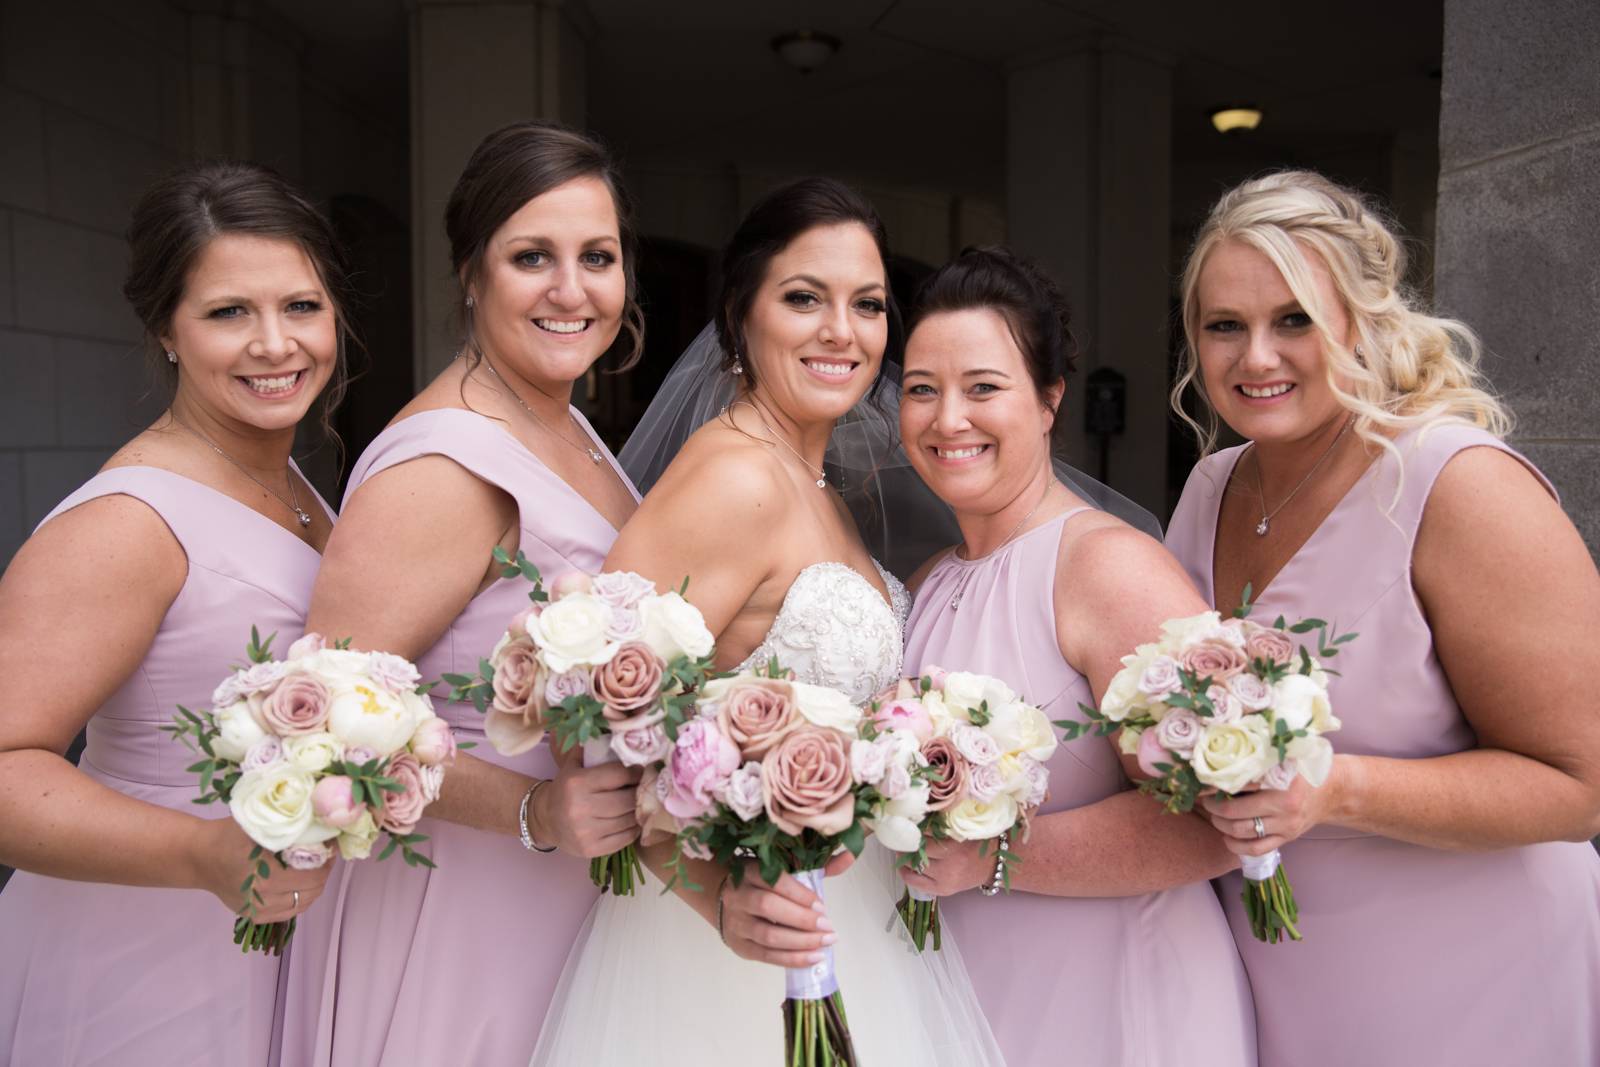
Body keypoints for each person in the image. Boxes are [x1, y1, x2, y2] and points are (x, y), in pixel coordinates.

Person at [529, 178, 1002, 1066]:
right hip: (726, 959)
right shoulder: (734, 478)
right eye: (804, 299)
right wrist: (717, 896)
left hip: (851, 921)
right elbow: (592, 729)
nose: (843, 331)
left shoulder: (820, 486)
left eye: (868, 304)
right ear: (739, 315)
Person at [1164, 169, 1600, 1065]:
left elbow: (1580, 783)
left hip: (1473, 978)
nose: (1256, 357)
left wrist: (1336, 788)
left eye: (1295, 320)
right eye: (1224, 326)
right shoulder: (1209, 488)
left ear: (1363, 320)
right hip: (1280, 975)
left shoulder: (1459, 484)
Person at [280, 121, 645, 1065]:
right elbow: (329, 726)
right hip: (466, 915)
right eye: (532, 257)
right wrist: (535, 812)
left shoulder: (568, 427)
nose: (571, 290)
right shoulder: (443, 464)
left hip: (570, 901)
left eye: (597, 257)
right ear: (471, 274)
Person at [0, 161, 349, 1064]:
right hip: (148, 960)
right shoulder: (125, 522)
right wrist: (200, 852)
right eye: (228, 312)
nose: (275, 343)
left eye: (301, 306)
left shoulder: (296, 486)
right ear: (165, 328)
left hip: (283, 939)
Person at [897, 246, 1257, 1066]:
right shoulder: (928, 581)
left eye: (982, 387)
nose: (947, 419)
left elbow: (1217, 823)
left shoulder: (1105, 566)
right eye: (922, 388)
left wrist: (994, 855)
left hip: (1114, 1001)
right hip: (976, 996)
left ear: (1049, 399)